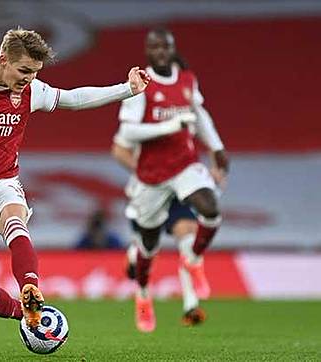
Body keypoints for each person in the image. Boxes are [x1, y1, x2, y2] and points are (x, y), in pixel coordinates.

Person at [0, 27, 150, 330]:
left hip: (1, 181)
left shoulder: (31, 91)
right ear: (3, 59)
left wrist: (127, 88)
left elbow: (73, 98)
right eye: (24, 71)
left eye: (34, 72)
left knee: (13, 220)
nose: (29, 79)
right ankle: (31, 316)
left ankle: (30, 284)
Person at [115, 28, 229, 332]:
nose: (161, 52)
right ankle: (142, 295)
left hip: (184, 165)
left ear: (172, 48)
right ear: (148, 52)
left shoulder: (187, 79)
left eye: (165, 47)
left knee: (211, 209)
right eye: (154, 47)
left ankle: (192, 261)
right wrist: (169, 126)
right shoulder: (142, 84)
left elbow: (200, 114)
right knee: (148, 247)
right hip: (151, 176)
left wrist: (216, 148)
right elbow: (126, 134)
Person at [112, 141, 207, 327]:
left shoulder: (185, 117)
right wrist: (145, 171)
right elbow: (118, 150)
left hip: (176, 192)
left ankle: (191, 305)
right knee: (148, 249)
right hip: (148, 190)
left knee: (188, 235)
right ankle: (138, 271)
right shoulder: (142, 118)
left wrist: (215, 165)